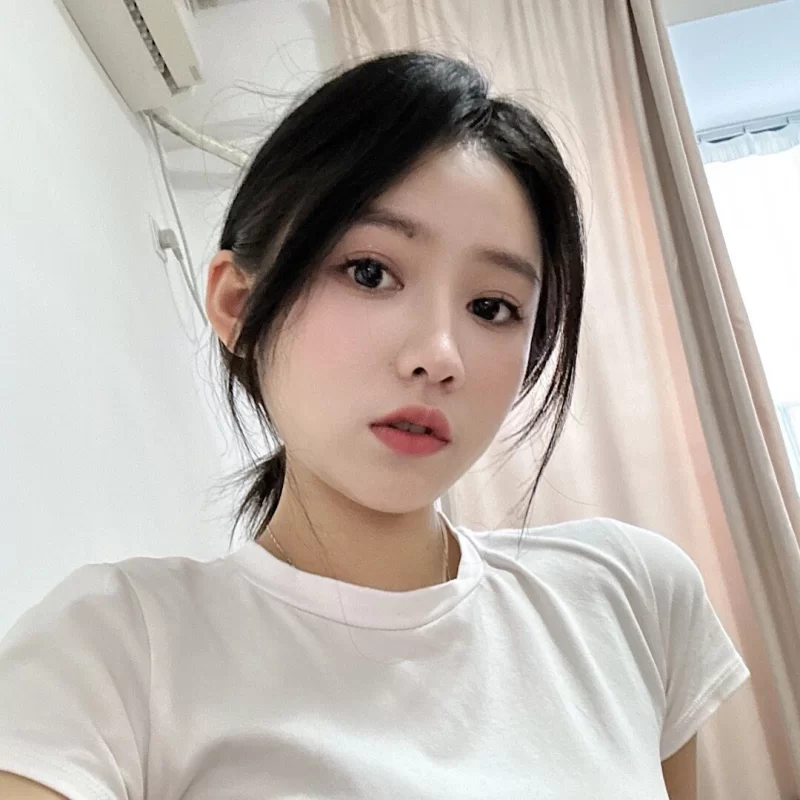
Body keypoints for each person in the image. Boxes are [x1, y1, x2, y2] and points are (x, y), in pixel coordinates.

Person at [0, 51, 749, 799]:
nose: (439, 356)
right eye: (370, 272)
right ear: (239, 306)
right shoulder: (114, 656)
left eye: (492, 307)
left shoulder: (628, 595)